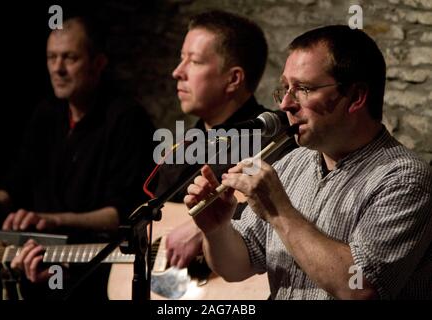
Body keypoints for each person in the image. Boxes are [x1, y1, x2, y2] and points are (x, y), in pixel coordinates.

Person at [184, 25, 432, 299]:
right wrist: (217, 230)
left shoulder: (404, 178)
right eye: (285, 89)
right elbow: (237, 267)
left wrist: (280, 210)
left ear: (356, 97)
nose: (286, 104)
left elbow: (360, 289)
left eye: (303, 88)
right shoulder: (293, 163)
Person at [0, 16, 155, 299]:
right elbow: (16, 182)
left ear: (98, 63)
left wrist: (52, 220)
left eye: (69, 58)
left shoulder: (126, 119)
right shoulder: (46, 114)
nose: (57, 69)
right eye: (52, 58)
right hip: (39, 262)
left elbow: (122, 214)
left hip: (97, 273)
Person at [154, 10, 296, 269]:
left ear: (233, 79)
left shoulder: (274, 138)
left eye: (194, 61)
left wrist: (201, 229)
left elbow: (282, 207)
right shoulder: (179, 149)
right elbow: (154, 229)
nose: (177, 72)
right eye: (180, 59)